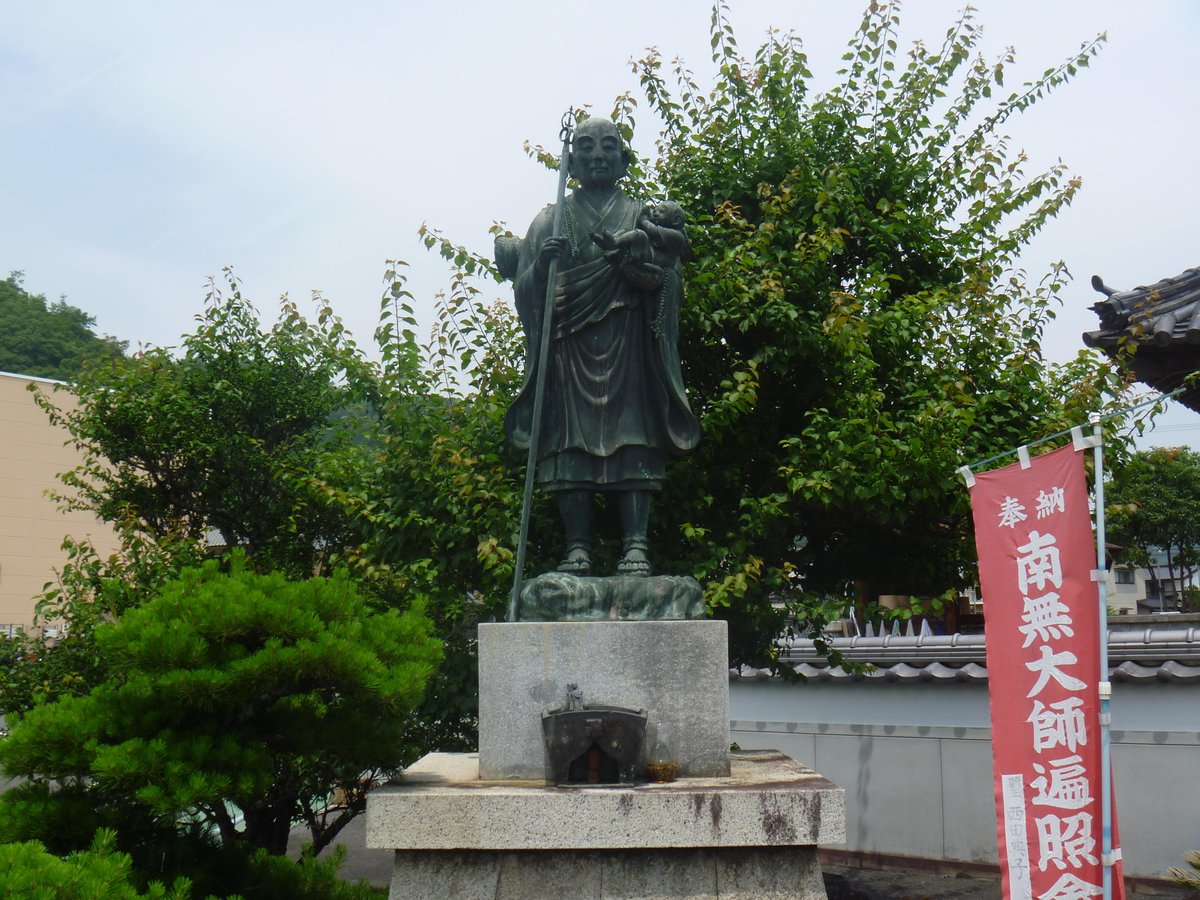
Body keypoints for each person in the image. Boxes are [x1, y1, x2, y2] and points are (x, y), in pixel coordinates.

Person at [503, 117, 699, 577]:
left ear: (624, 160)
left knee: (634, 440)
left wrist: (645, 269)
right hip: (570, 351)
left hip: (629, 344)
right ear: (570, 159)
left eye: (608, 147)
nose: (597, 156)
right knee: (571, 445)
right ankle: (577, 547)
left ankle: (636, 544)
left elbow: (670, 279)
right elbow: (526, 290)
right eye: (586, 147)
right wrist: (540, 269)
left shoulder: (641, 217)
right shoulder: (550, 220)